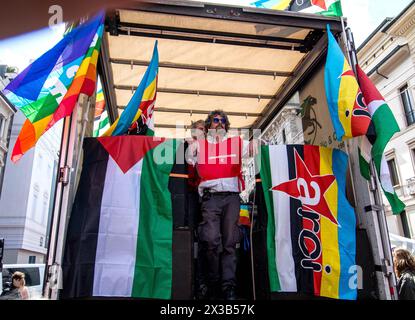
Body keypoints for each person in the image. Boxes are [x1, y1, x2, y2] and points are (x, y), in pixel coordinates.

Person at [187, 110, 254, 300]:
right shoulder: (199, 144)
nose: (220, 123)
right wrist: (190, 145)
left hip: (232, 198)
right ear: (209, 125)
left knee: (230, 243)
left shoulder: (236, 143)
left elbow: (254, 148)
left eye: (223, 121)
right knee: (210, 240)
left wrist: (257, 142)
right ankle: (213, 281)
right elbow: (185, 157)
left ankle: (228, 287)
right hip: (211, 199)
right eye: (215, 120)